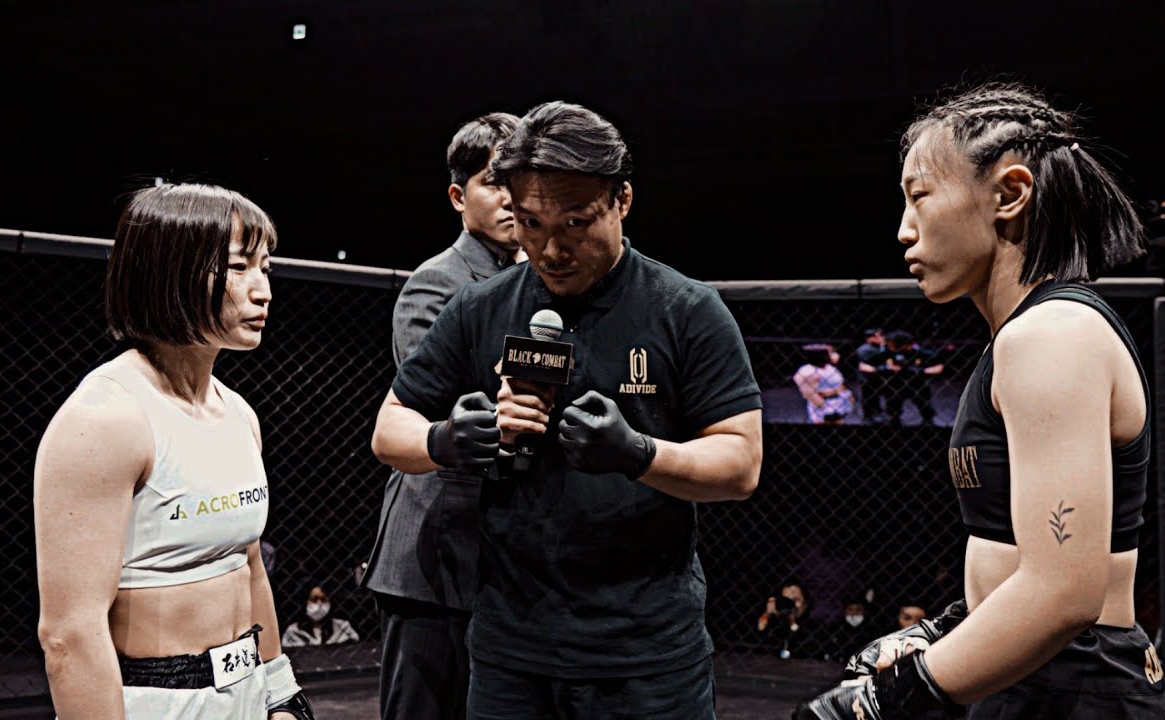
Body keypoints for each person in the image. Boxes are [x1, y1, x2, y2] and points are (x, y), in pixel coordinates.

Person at [371, 100, 763, 719]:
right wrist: (445, 440)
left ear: (622, 201)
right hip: (510, 650)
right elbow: (390, 427)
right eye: (531, 224)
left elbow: (740, 463)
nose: (551, 249)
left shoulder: (687, 309)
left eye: (576, 223)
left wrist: (638, 453)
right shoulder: (478, 306)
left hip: (646, 652)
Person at [796, 80, 1165, 718]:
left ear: (1009, 194)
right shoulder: (1025, 336)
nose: (904, 230)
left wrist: (890, 698)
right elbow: (1031, 563)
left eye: (919, 196)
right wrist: (942, 631)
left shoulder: (1051, 335)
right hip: (1035, 674)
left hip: (1073, 685)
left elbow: (1065, 593)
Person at [33, 183, 314, 719]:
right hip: (157, 701)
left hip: (248, 689)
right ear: (173, 272)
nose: (262, 291)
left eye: (266, 268)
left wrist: (280, 693)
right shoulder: (106, 418)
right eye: (238, 267)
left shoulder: (239, 414)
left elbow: (249, 562)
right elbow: (70, 633)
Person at [360, 111, 522, 720]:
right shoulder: (437, 283)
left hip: (501, 553)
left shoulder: (537, 280)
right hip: (435, 554)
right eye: (494, 182)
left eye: (519, 182)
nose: (510, 198)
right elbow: (440, 404)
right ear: (459, 196)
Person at [875, 329, 943, 426]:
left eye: (891, 343)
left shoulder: (919, 352)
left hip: (917, 384)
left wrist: (922, 371)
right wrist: (887, 368)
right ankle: (895, 421)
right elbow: (872, 364)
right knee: (893, 407)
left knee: (924, 406)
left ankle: (928, 421)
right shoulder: (887, 352)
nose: (888, 345)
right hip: (895, 384)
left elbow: (939, 366)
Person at [792, 343, 854, 425]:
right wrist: (822, 406)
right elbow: (809, 393)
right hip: (824, 406)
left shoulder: (830, 368)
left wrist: (848, 396)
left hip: (839, 402)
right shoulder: (808, 371)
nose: (835, 355)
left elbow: (840, 384)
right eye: (830, 353)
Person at [281, 584, 361, 647]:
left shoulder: (343, 627)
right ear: (305, 602)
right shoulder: (293, 631)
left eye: (323, 599)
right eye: (314, 600)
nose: (319, 604)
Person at [757, 582, 818, 659]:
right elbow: (760, 629)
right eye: (785, 600)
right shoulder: (773, 626)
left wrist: (792, 618)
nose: (790, 604)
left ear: (805, 604)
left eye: (795, 600)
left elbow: (802, 638)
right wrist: (767, 612)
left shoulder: (814, 628)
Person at [854, 328, 887, 424]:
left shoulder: (878, 347)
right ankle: (869, 416)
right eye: (878, 336)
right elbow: (864, 366)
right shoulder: (865, 349)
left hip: (876, 377)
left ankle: (877, 413)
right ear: (870, 338)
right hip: (867, 378)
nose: (881, 338)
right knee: (869, 396)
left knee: (876, 396)